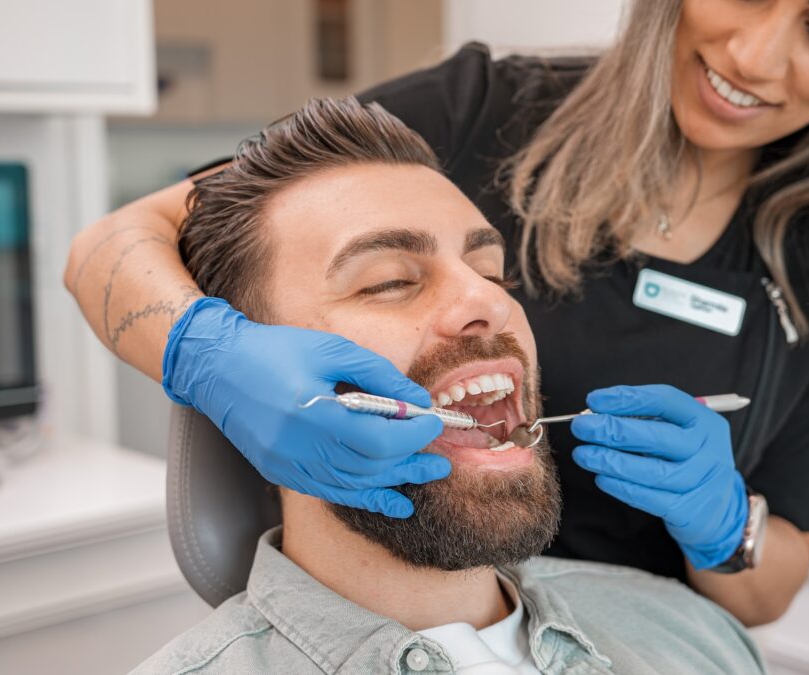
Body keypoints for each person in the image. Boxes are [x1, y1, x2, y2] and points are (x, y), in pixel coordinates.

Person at [65, 0, 809, 626]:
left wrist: (726, 521)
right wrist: (205, 356)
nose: (753, 55)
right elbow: (114, 243)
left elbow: (768, 589)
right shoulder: (484, 112)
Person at [132, 97, 766, 675]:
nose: (485, 301)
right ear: (255, 394)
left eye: (492, 271)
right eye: (386, 282)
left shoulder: (694, 634)